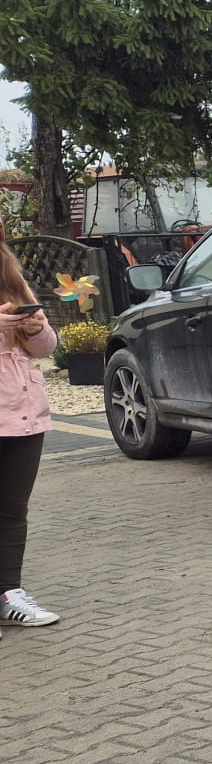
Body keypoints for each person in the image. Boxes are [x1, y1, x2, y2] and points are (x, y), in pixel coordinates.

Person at [0, 242, 58, 631]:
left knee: (11, 510)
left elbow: (47, 347)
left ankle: (9, 594)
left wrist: (36, 329)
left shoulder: (13, 284)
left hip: (22, 415)